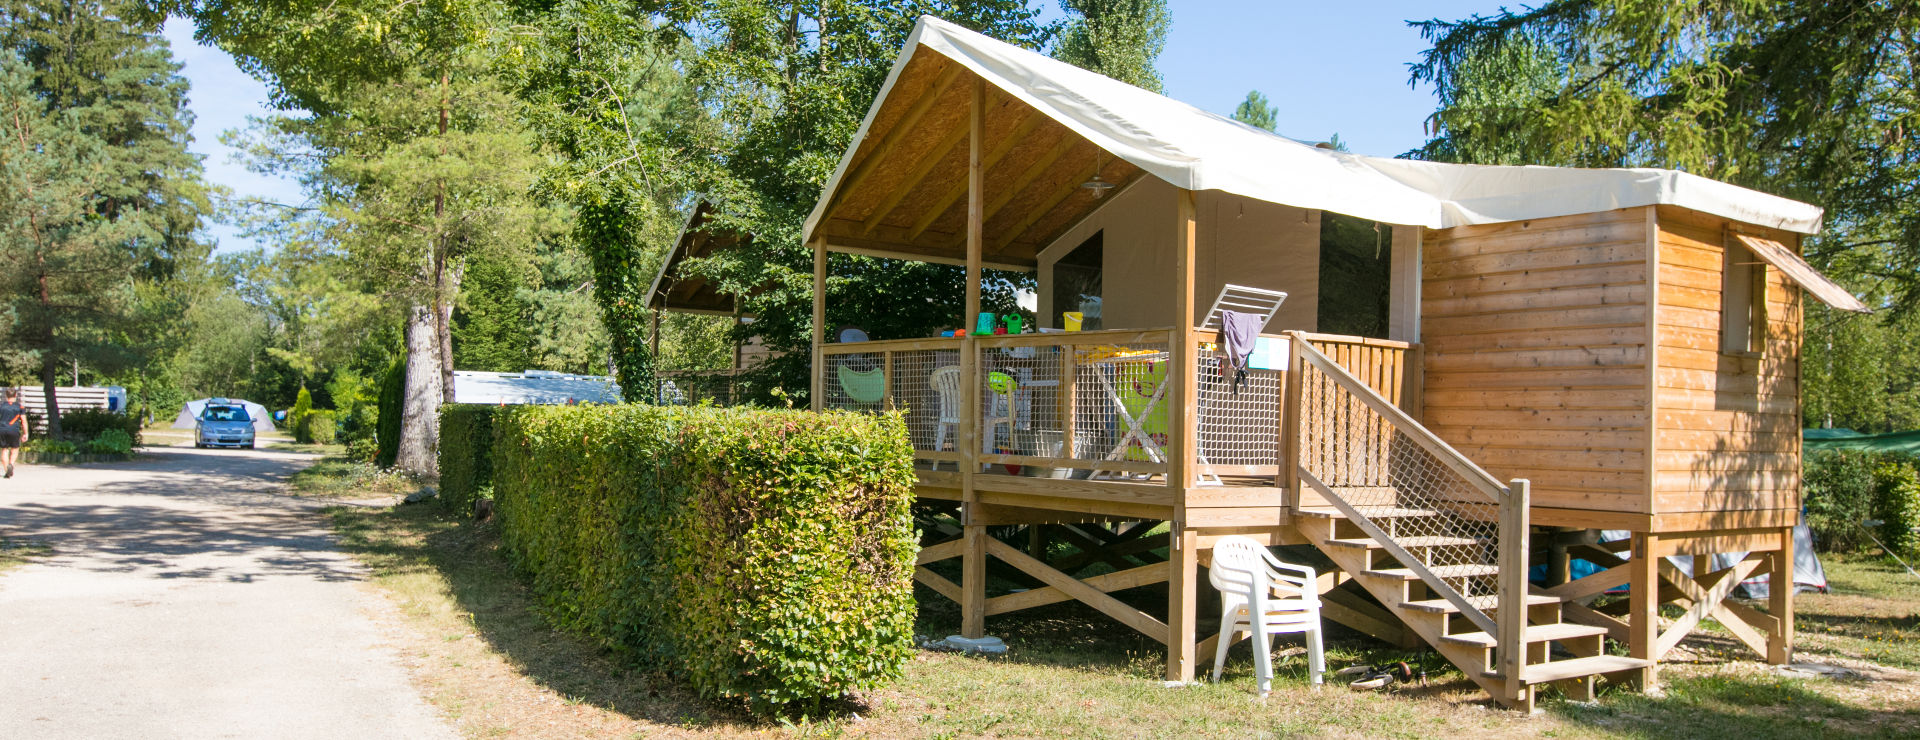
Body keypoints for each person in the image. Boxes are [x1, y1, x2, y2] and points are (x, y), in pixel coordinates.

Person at [0, 388, 26, 478]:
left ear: (6, 396)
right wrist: (25, 433)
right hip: (14, 430)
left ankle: (7, 470)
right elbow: (24, 421)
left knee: (4, 450)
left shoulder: (1, 406)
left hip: (2, 429)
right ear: (15, 395)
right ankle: (11, 464)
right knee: (15, 448)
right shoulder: (20, 407)